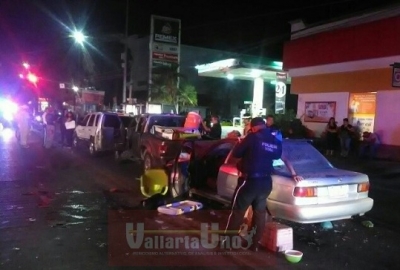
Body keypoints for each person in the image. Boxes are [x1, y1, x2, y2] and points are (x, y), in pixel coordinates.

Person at [222, 117, 283, 252]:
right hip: (266, 182)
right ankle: (254, 244)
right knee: (259, 213)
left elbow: (237, 153)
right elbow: (278, 156)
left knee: (238, 211)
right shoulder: (274, 139)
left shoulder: (252, 137)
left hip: (249, 182)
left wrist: (241, 143)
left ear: (254, 127)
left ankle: (229, 243)